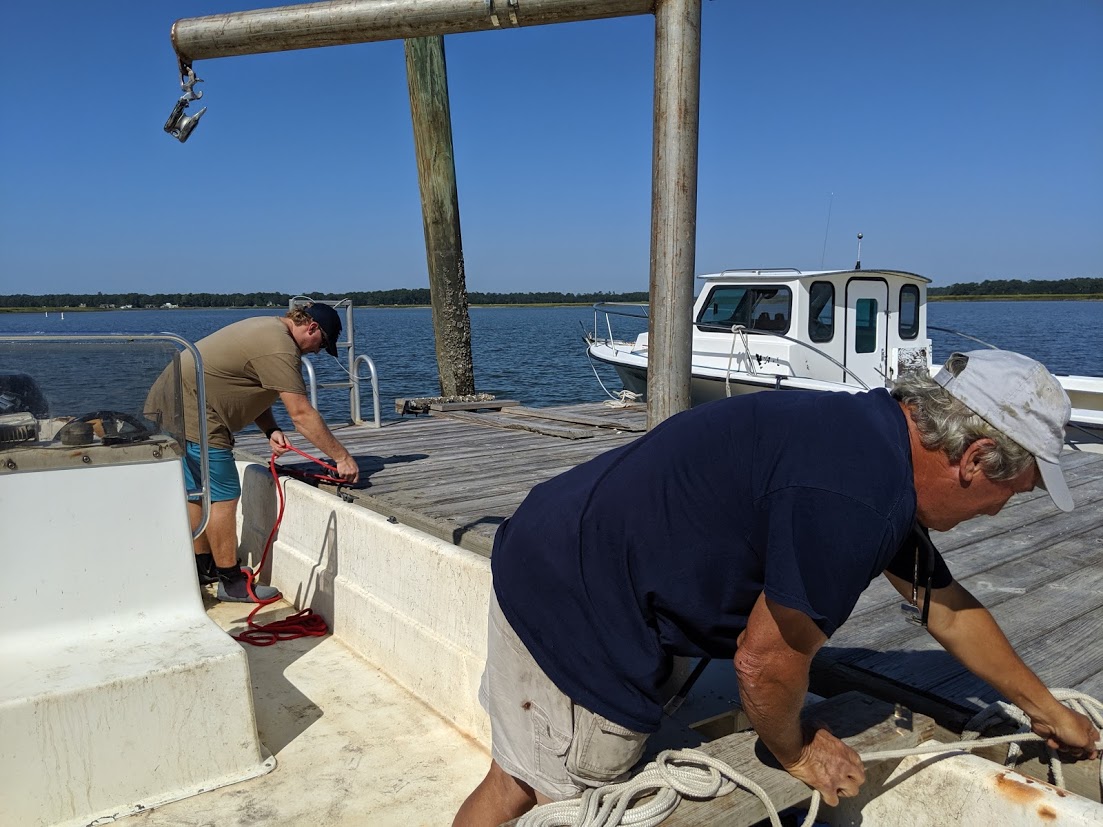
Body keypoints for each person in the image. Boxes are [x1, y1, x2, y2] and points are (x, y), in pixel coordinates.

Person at [454, 350, 1100, 826]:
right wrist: (793, 748)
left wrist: (1047, 710)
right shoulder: (852, 495)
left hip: (572, 543)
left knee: (520, 774)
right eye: (1012, 494)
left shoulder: (873, 437)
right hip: (575, 594)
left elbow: (947, 608)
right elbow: (763, 663)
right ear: (971, 456)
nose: (996, 513)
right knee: (555, 794)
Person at [148, 303, 360, 603]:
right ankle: (232, 582)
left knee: (197, 492)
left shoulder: (268, 328)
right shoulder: (281, 348)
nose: (318, 351)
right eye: (322, 343)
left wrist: (270, 429)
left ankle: (202, 567)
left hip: (170, 406)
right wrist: (342, 457)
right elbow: (301, 415)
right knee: (224, 494)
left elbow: (250, 385)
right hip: (197, 412)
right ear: (311, 328)